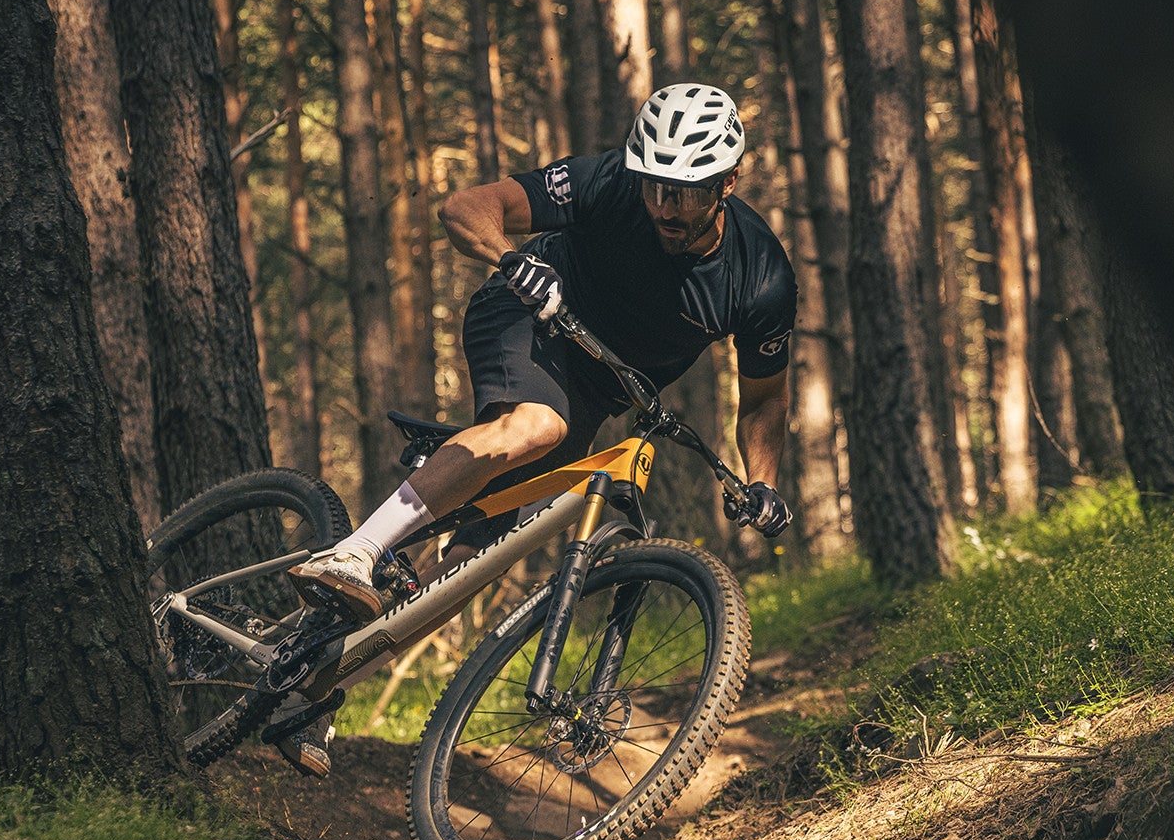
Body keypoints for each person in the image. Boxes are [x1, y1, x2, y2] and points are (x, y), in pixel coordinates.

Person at [288, 84, 797, 635]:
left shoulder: (761, 280)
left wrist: (762, 481)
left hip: (595, 389)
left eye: (687, 194)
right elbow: (465, 207)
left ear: (728, 182)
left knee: (480, 561)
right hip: (528, 315)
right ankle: (355, 551)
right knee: (537, 425)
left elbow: (765, 398)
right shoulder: (610, 182)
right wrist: (512, 261)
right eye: (654, 186)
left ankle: (330, 660)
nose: (664, 208)